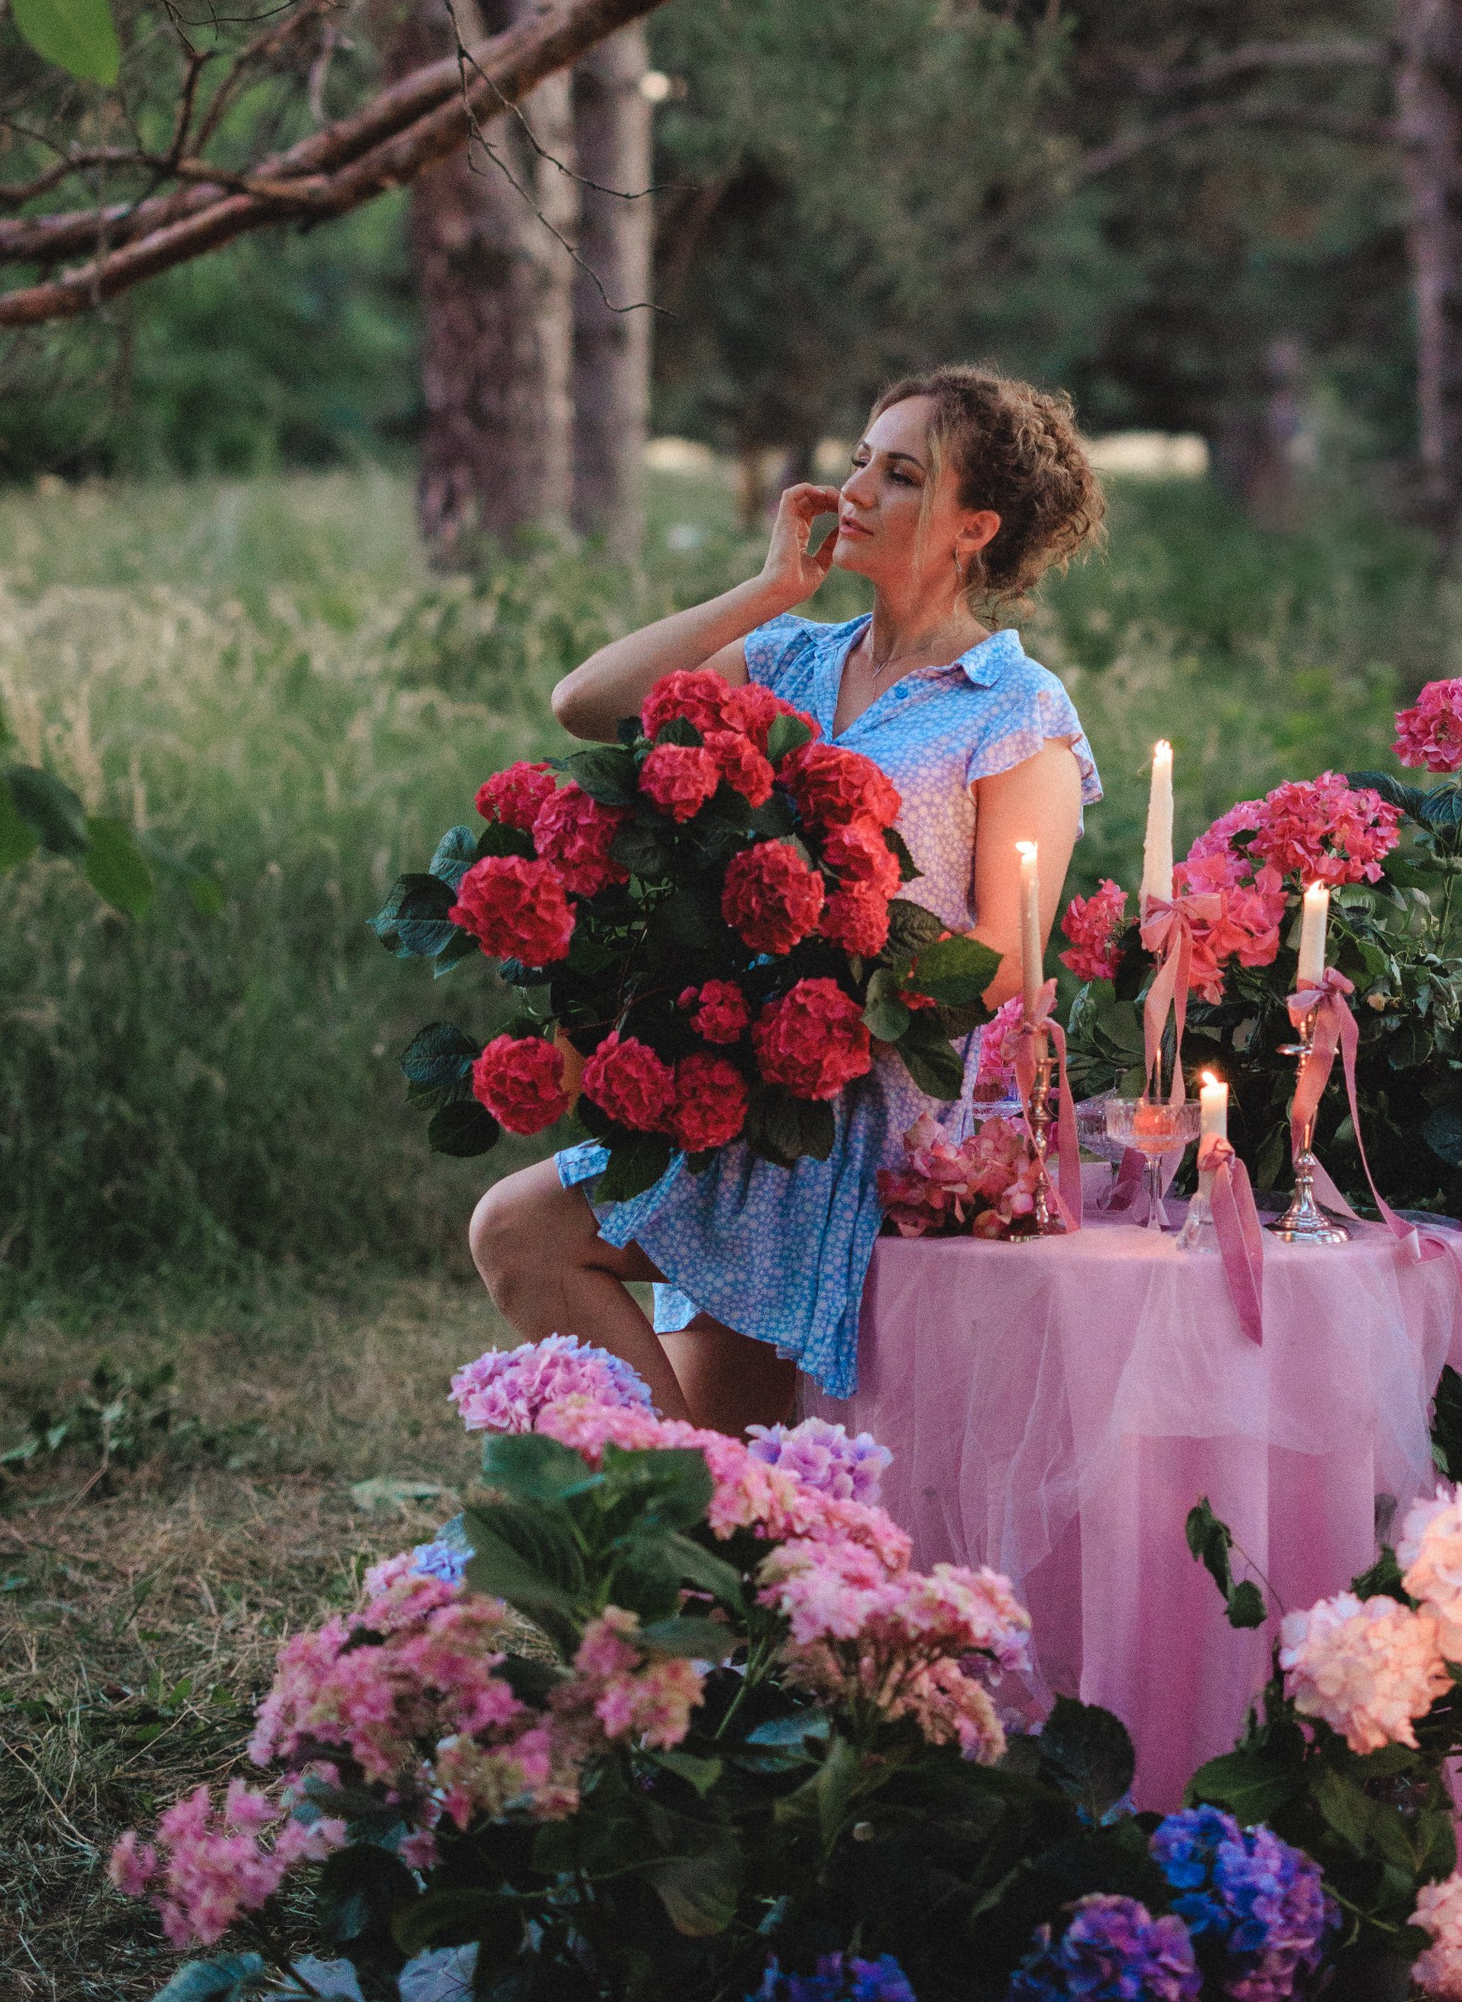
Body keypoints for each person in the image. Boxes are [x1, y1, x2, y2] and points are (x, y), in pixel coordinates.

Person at [467, 368, 1105, 1433]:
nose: (856, 487)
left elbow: (1009, 955)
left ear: (971, 527)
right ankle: (694, 1559)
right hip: (742, 1087)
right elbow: (585, 704)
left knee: (528, 1235)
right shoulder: (787, 655)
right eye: (860, 458)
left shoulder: (1012, 705)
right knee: (699, 1414)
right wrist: (770, 589)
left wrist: (843, 990)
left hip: (879, 1107)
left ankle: (697, 1560)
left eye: (901, 475)